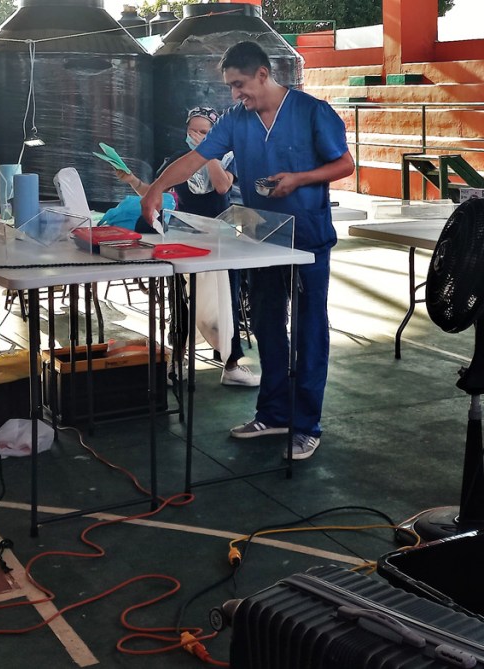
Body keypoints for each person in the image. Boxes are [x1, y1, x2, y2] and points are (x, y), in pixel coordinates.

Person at [141, 41, 355, 460]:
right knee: (267, 324)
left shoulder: (313, 112)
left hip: (308, 237)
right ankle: (273, 413)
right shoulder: (237, 120)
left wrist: (299, 178)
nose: (235, 95)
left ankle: (306, 423)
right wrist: (154, 190)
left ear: (262, 74)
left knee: (309, 330)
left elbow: (345, 165)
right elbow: (196, 159)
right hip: (264, 239)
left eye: (239, 85)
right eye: (230, 88)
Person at [118, 106, 258, 387]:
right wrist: (131, 180)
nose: (196, 136)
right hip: (184, 238)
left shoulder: (229, 159)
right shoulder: (176, 161)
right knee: (180, 300)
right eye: (192, 131)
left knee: (225, 300)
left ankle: (230, 363)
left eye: (204, 132)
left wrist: (207, 153)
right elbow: (153, 190)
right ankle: (178, 360)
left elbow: (221, 187)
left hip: (220, 239)